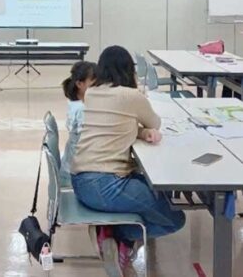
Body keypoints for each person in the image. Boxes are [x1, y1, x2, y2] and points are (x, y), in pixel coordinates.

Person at [70, 46, 185, 277]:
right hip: (107, 185)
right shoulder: (132, 96)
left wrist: (141, 132)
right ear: (128, 70)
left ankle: (114, 235)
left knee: (151, 190)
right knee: (174, 219)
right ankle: (118, 235)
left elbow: (116, 123)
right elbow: (155, 122)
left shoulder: (92, 93)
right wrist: (146, 128)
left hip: (80, 181)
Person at [60, 61, 96, 185]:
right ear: (80, 84)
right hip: (75, 177)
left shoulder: (75, 103)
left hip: (70, 169)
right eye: (94, 83)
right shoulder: (82, 110)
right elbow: (87, 144)